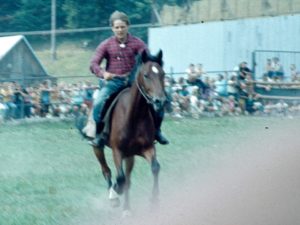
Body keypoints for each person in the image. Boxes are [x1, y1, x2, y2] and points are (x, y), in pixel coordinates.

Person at [89, 11, 169, 147]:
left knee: (159, 98)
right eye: (117, 27)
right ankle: (99, 134)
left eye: (122, 27)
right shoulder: (106, 45)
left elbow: (148, 60)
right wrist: (103, 74)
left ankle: (157, 131)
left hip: (134, 83)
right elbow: (93, 64)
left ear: (128, 26)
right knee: (99, 103)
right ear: (112, 28)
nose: (120, 30)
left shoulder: (138, 43)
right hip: (113, 82)